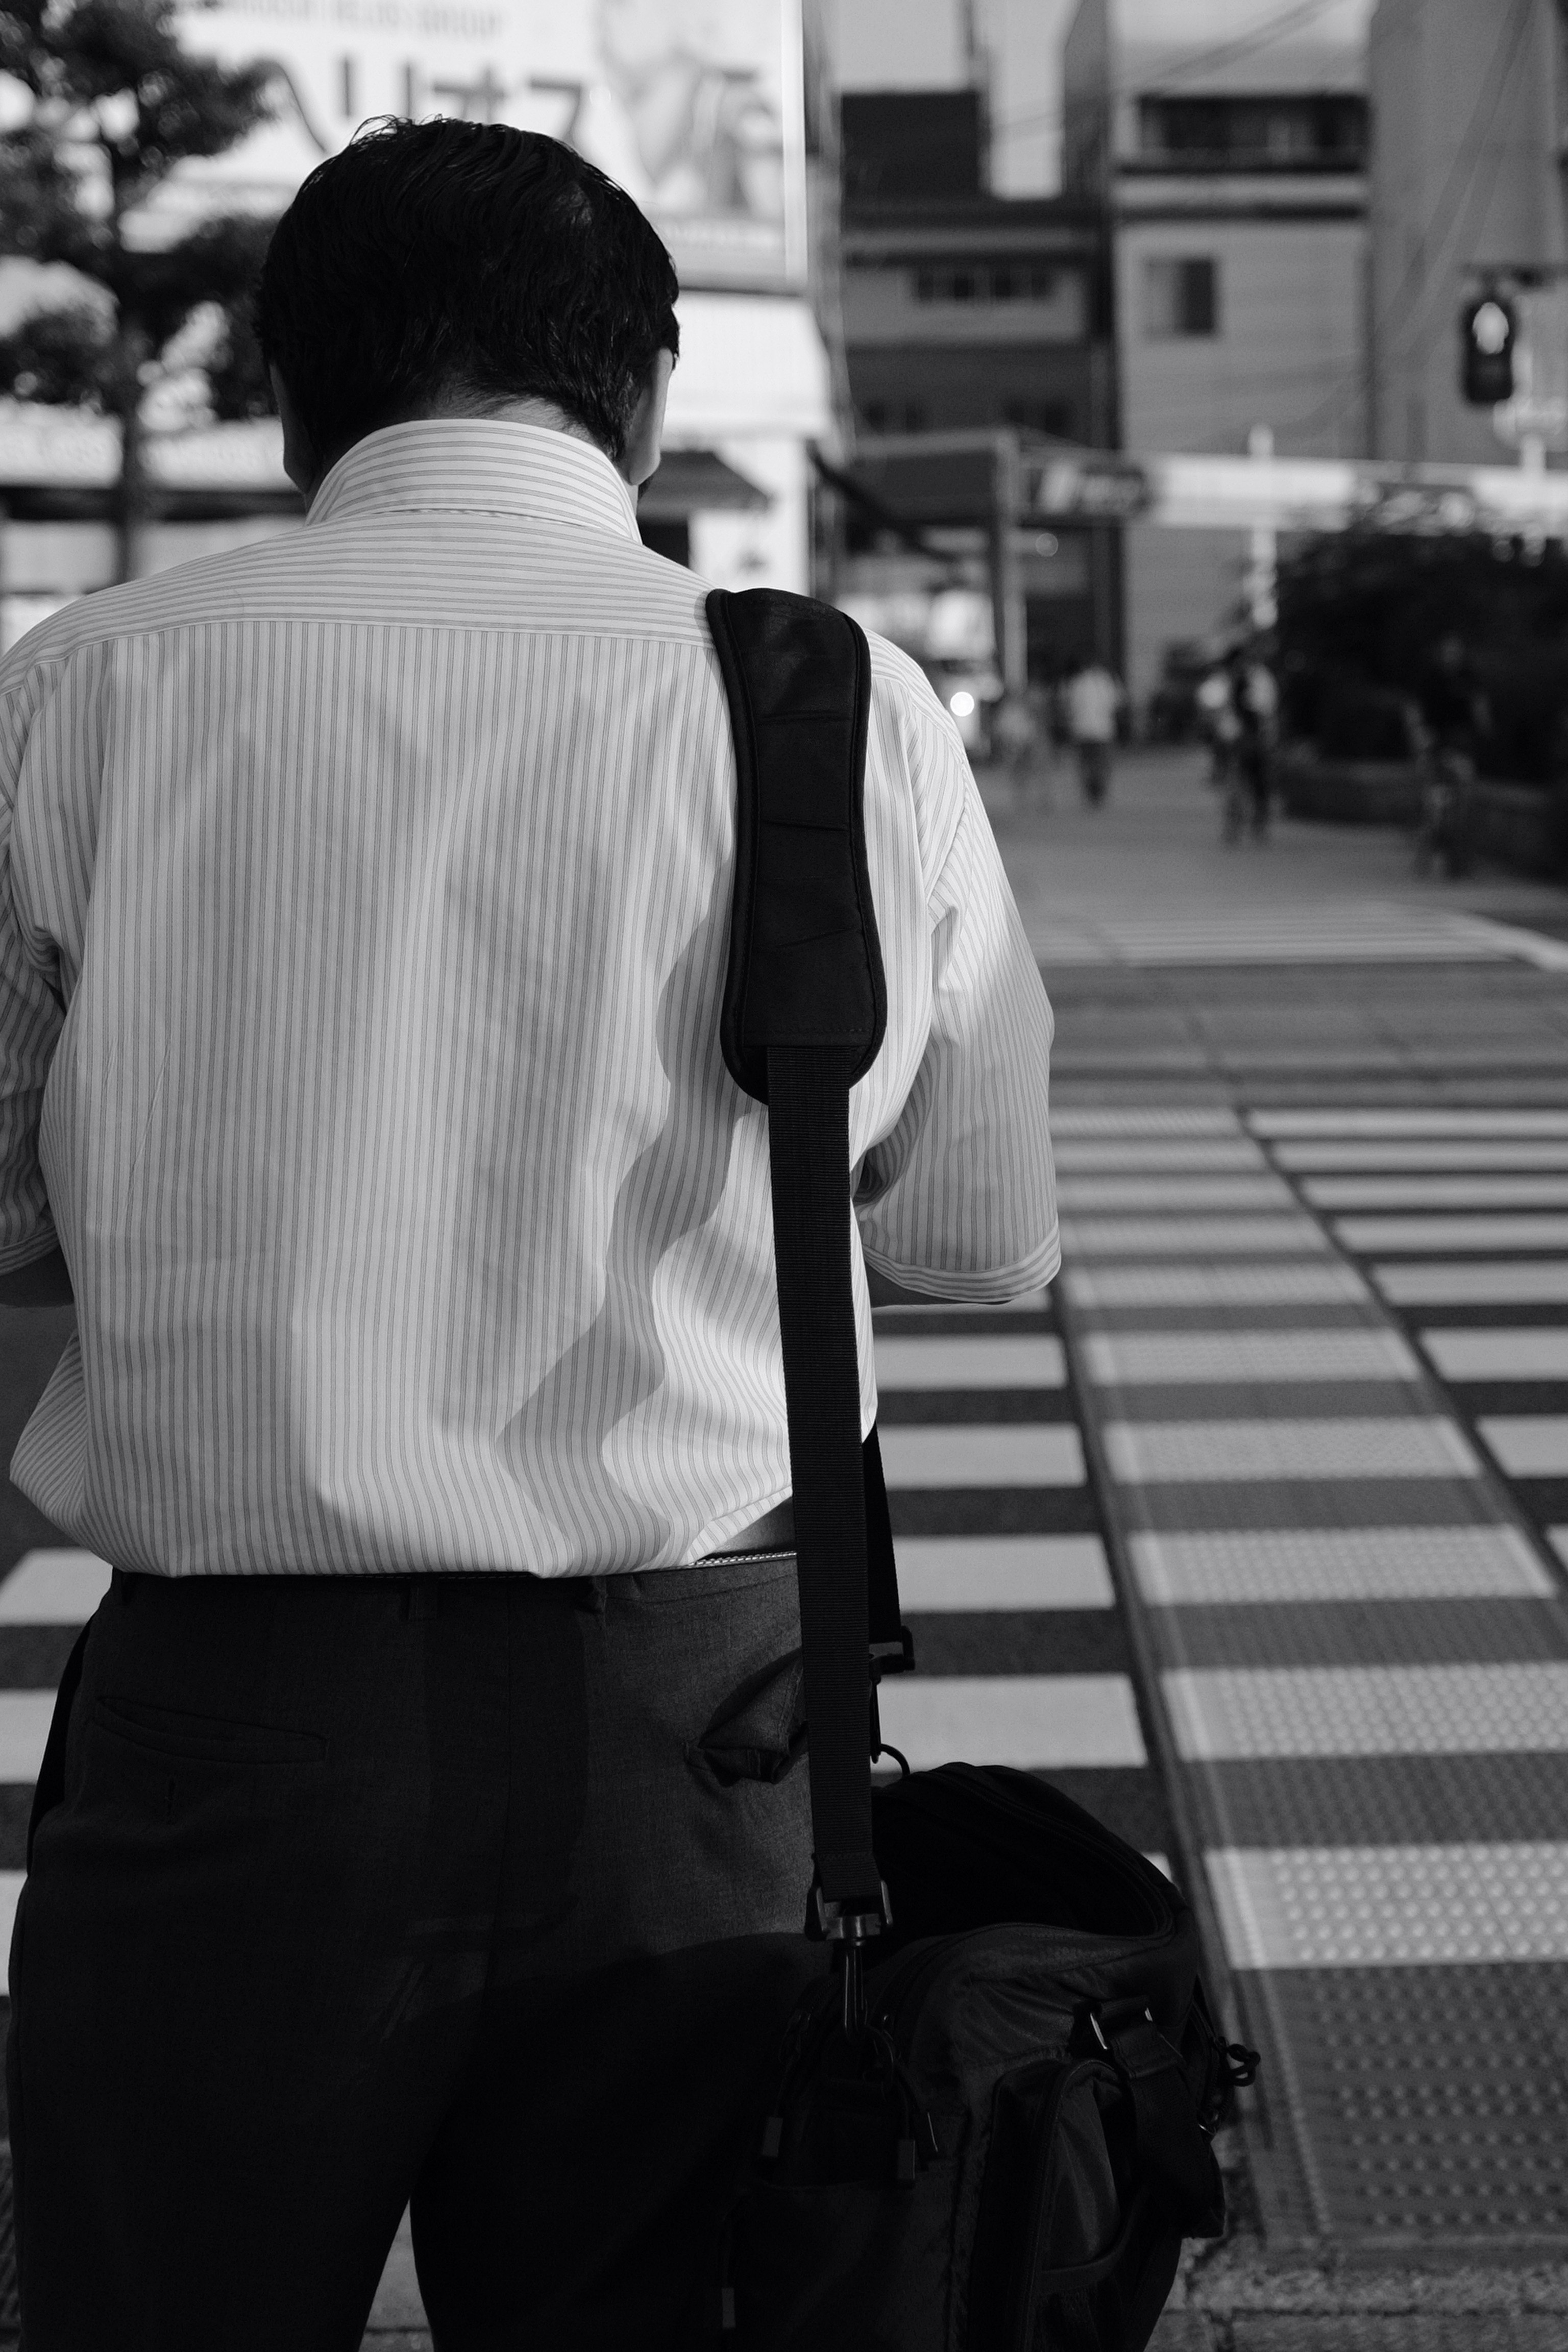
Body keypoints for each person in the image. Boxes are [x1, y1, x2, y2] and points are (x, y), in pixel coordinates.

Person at [0, 119, 1058, 2348]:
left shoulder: (83, 685)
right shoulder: (830, 702)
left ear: (292, 388)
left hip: (231, 1729)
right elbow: (969, 1231)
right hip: (701, 1731)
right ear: (647, 391)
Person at [1064, 656, 1121, 804]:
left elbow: (1071, 707)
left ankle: (1090, 792)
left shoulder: (1077, 682)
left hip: (1082, 730)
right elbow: (1116, 703)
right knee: (1101, 764)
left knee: (1086, 764)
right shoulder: (1106, 681)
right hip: (1103, 731)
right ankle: (1099, 793)